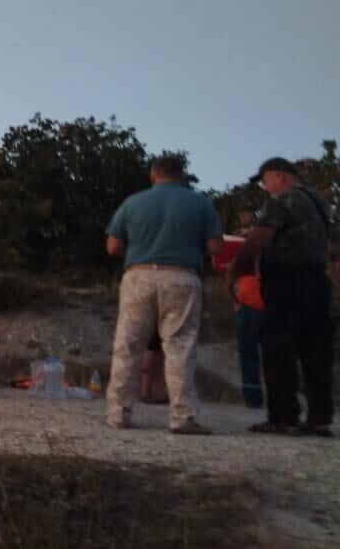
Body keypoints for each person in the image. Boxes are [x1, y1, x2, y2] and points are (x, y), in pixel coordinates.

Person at [104, 155, 224, 434]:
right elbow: (217, 248)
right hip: (182, 277)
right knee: (180, 347)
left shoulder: (133, 202)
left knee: (128, 345)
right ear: (182, 176)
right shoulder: (200, 202)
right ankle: (182, 417)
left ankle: (118, 414)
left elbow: (112, 246)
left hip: (139, 275)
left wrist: (140, 249)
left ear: (152, 176)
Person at [229, 157, 334, 437]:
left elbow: (260, 237)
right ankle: (319, 418)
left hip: (286, 279)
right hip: (317, 280)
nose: (265, 187)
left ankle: (283, 416)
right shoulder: (321, 204)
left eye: (265, 181)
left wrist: (237, 270)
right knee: (315, 351)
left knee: (278, 348)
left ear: (279, 175)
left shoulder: (282, 200)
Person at [231, 269, 265, 409]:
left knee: (250, 356)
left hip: (252, 307)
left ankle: (253, 397)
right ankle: (253, 397)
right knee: (249, 355)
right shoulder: (249, 254)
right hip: (251, 307)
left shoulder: (248, 254)